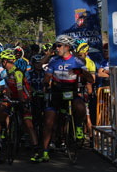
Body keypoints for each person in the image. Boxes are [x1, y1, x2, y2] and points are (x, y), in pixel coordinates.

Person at [37, 35, 94, 163]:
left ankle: (78, 126)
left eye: (59, 46)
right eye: (56, 45)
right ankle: (44, 152)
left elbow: (90, 80)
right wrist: (46, 85)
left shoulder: (77, 61)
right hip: (56, 93)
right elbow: (46, 75)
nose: (56, 48)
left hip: (71, 92)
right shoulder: (53, 60)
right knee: (48, 121)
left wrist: (81, 71)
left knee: (80, 107)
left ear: (67, 47)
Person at [0, 49, 39, 162]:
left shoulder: (17, 72)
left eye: (1, 61)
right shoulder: (5, 72)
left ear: (5, 61)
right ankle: (2, 133)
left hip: (23, 98)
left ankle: (36, 150)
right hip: (12, 98)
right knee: (0, 109)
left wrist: (23, 102)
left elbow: (20, 90)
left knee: (28, 124)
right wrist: (3, 89)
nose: (0, 63)